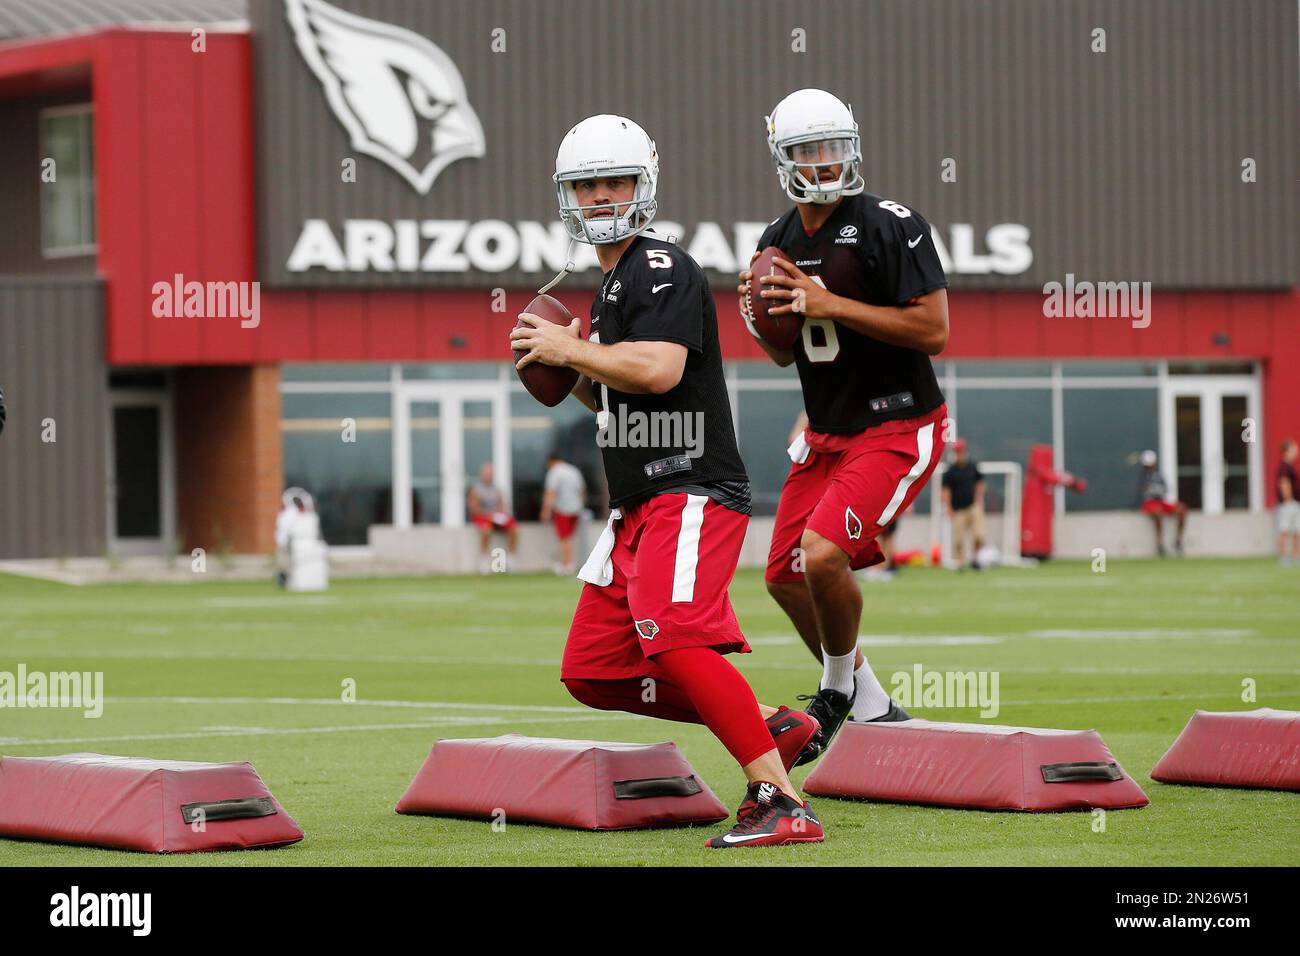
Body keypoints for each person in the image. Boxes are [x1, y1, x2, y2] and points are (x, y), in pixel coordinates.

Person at [510, 113, 823, 848]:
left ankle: (781, 800)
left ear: (643, 185)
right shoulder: (613, 285)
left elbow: (660, 370)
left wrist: (567, 348)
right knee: (594, 671)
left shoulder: (658, 265)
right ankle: (772, 726)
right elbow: (626, 395)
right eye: (586, 186)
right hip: (637, 504)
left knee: (676, 636)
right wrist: (576, 366)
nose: (599, 197)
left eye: (614, 181)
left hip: (687, 485)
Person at [738, 88, 950, 756]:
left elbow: (934, 329)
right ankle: (874, 704)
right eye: (809, 149)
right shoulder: (776, 240)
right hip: (828, 431)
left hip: (897, 424)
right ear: (784, 158)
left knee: (823, 556)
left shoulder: (892, 223)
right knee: (781, 574)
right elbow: (781, 353)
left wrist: (831, 302)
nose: (826, 162)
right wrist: (760, 320)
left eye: (834, 146)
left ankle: (835, 692)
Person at [942, 438, 986, 569]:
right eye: (957, 452)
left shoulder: (972, 467)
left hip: (973, 506)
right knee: (959, 539)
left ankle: (975, 559)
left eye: (961, 451)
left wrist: (979, 498)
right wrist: (949, 508)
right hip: (958, 509)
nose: (960, 454)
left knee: (979, 535)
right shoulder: (950, 471)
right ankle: (960, 561)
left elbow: (980, 482)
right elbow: (946, 491)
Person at [540, 453, 586, 575]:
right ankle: (568, 562)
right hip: (576, 509)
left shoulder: (554, 472)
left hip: (563, 509)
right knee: (569, 538)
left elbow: (551, 493)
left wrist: (545, 511)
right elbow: (582, 491)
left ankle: (567, 564)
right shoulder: (574, 470)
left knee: (564, 538)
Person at [468, 462, 517, 573]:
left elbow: (502, 505)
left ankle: (510, 559)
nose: (488, 475)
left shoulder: (497, 489)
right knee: (486, 529)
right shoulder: (476, 489)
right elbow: (474, 508)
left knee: (514, 527)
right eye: (486, 473)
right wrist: (488, 515)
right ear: (482, 474)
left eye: (490, 473)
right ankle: (484, 560)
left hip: (496, 517)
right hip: (482, 516)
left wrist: (498, 514)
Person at [1137, 449, 1186, 556]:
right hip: (1150, 502)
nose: (1149, 467)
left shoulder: (1159, 475)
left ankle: (1178, 541)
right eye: (1147, 465)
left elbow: (1165, 489)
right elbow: (1144, 492)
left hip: (1161, 500)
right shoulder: (1142, 477)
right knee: (1158, 512)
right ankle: (1160, 544)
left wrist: (1155, 489)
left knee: (1181, 509)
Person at [1277, 439, 1299, 566]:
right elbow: (1284, 483)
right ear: (1286, 451)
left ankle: (1296, 556)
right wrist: (1289, 499)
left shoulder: (1291, 467)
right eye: (1294, 449)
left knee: (1297, 530)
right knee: (1284, 530)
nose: (1296, 452)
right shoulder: (1284, 467)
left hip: (1295, 502)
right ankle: (1284, 557)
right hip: (1288, 504)